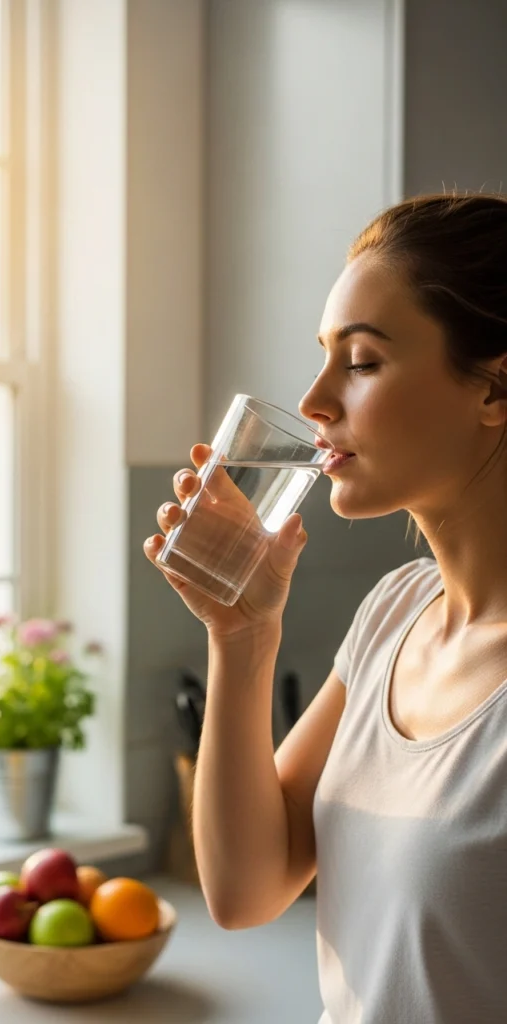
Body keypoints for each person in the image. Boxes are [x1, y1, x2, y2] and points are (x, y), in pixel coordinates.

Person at [144, 193, 507, 1023]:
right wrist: (240, 636)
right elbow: (245, 890)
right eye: (322, 357)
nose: (312, 401)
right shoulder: (393, 612)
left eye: (363, 361)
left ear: (495, 386)